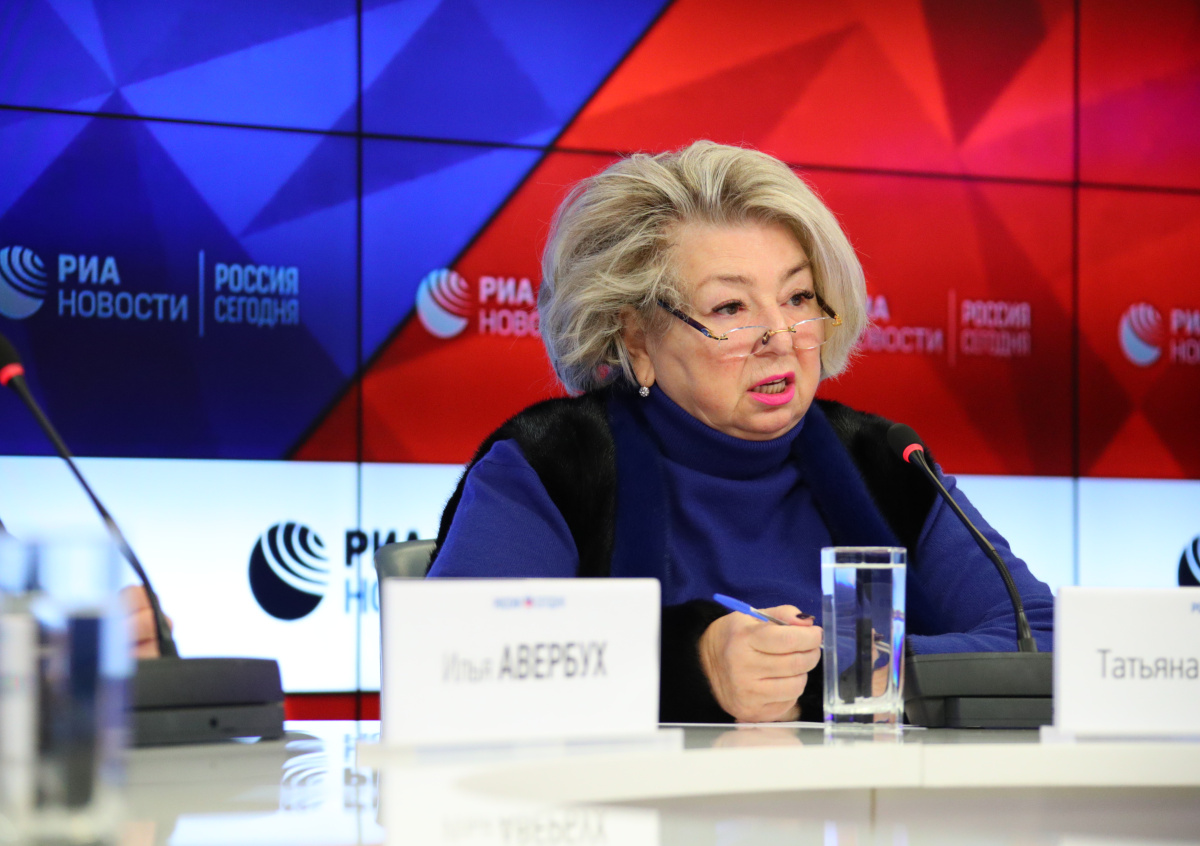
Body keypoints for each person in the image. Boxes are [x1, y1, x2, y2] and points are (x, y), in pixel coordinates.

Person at [427, 141, 1053, 723]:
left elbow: (1043, 640)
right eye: (730, 307)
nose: (780, 337)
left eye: (798, 298)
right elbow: (455, 662)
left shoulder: (884, 462)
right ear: (636, 338)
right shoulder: (553, 466)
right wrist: (691, 666)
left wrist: (829, 670)